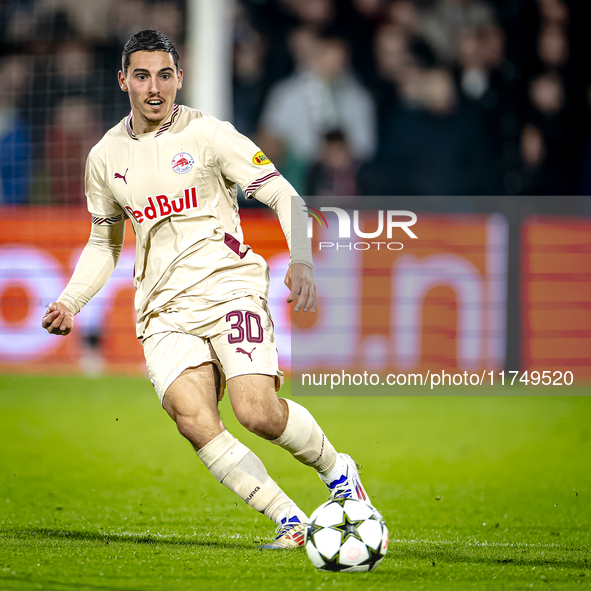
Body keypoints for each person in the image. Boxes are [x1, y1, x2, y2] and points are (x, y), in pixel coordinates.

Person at [41, 29, 371, 549]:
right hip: (163, 308)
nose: (155, 88)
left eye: (165, 75)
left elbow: (286, 196)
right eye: (143, 76)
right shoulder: (104, 157)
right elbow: (102, 244)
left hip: (228, 288)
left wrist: (302, 260)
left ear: (179, 78)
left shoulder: (210, 135)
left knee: (257, 412)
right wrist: (71, 300)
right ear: (123, 79)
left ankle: (339, 474)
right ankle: (291, 521)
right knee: (193, 418)